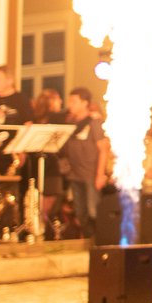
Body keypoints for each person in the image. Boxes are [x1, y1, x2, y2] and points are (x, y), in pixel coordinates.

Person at [60, 88, 109, 241]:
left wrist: (100, 174)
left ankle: (99, 241)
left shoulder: (94, 123)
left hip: (91, 174)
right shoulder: (71, 123)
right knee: (80, 212)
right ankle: (88, 241)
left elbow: (103, 149)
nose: (70, 105)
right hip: (75, 174)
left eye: (74, 101)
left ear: (85, 103)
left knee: (93, 211)